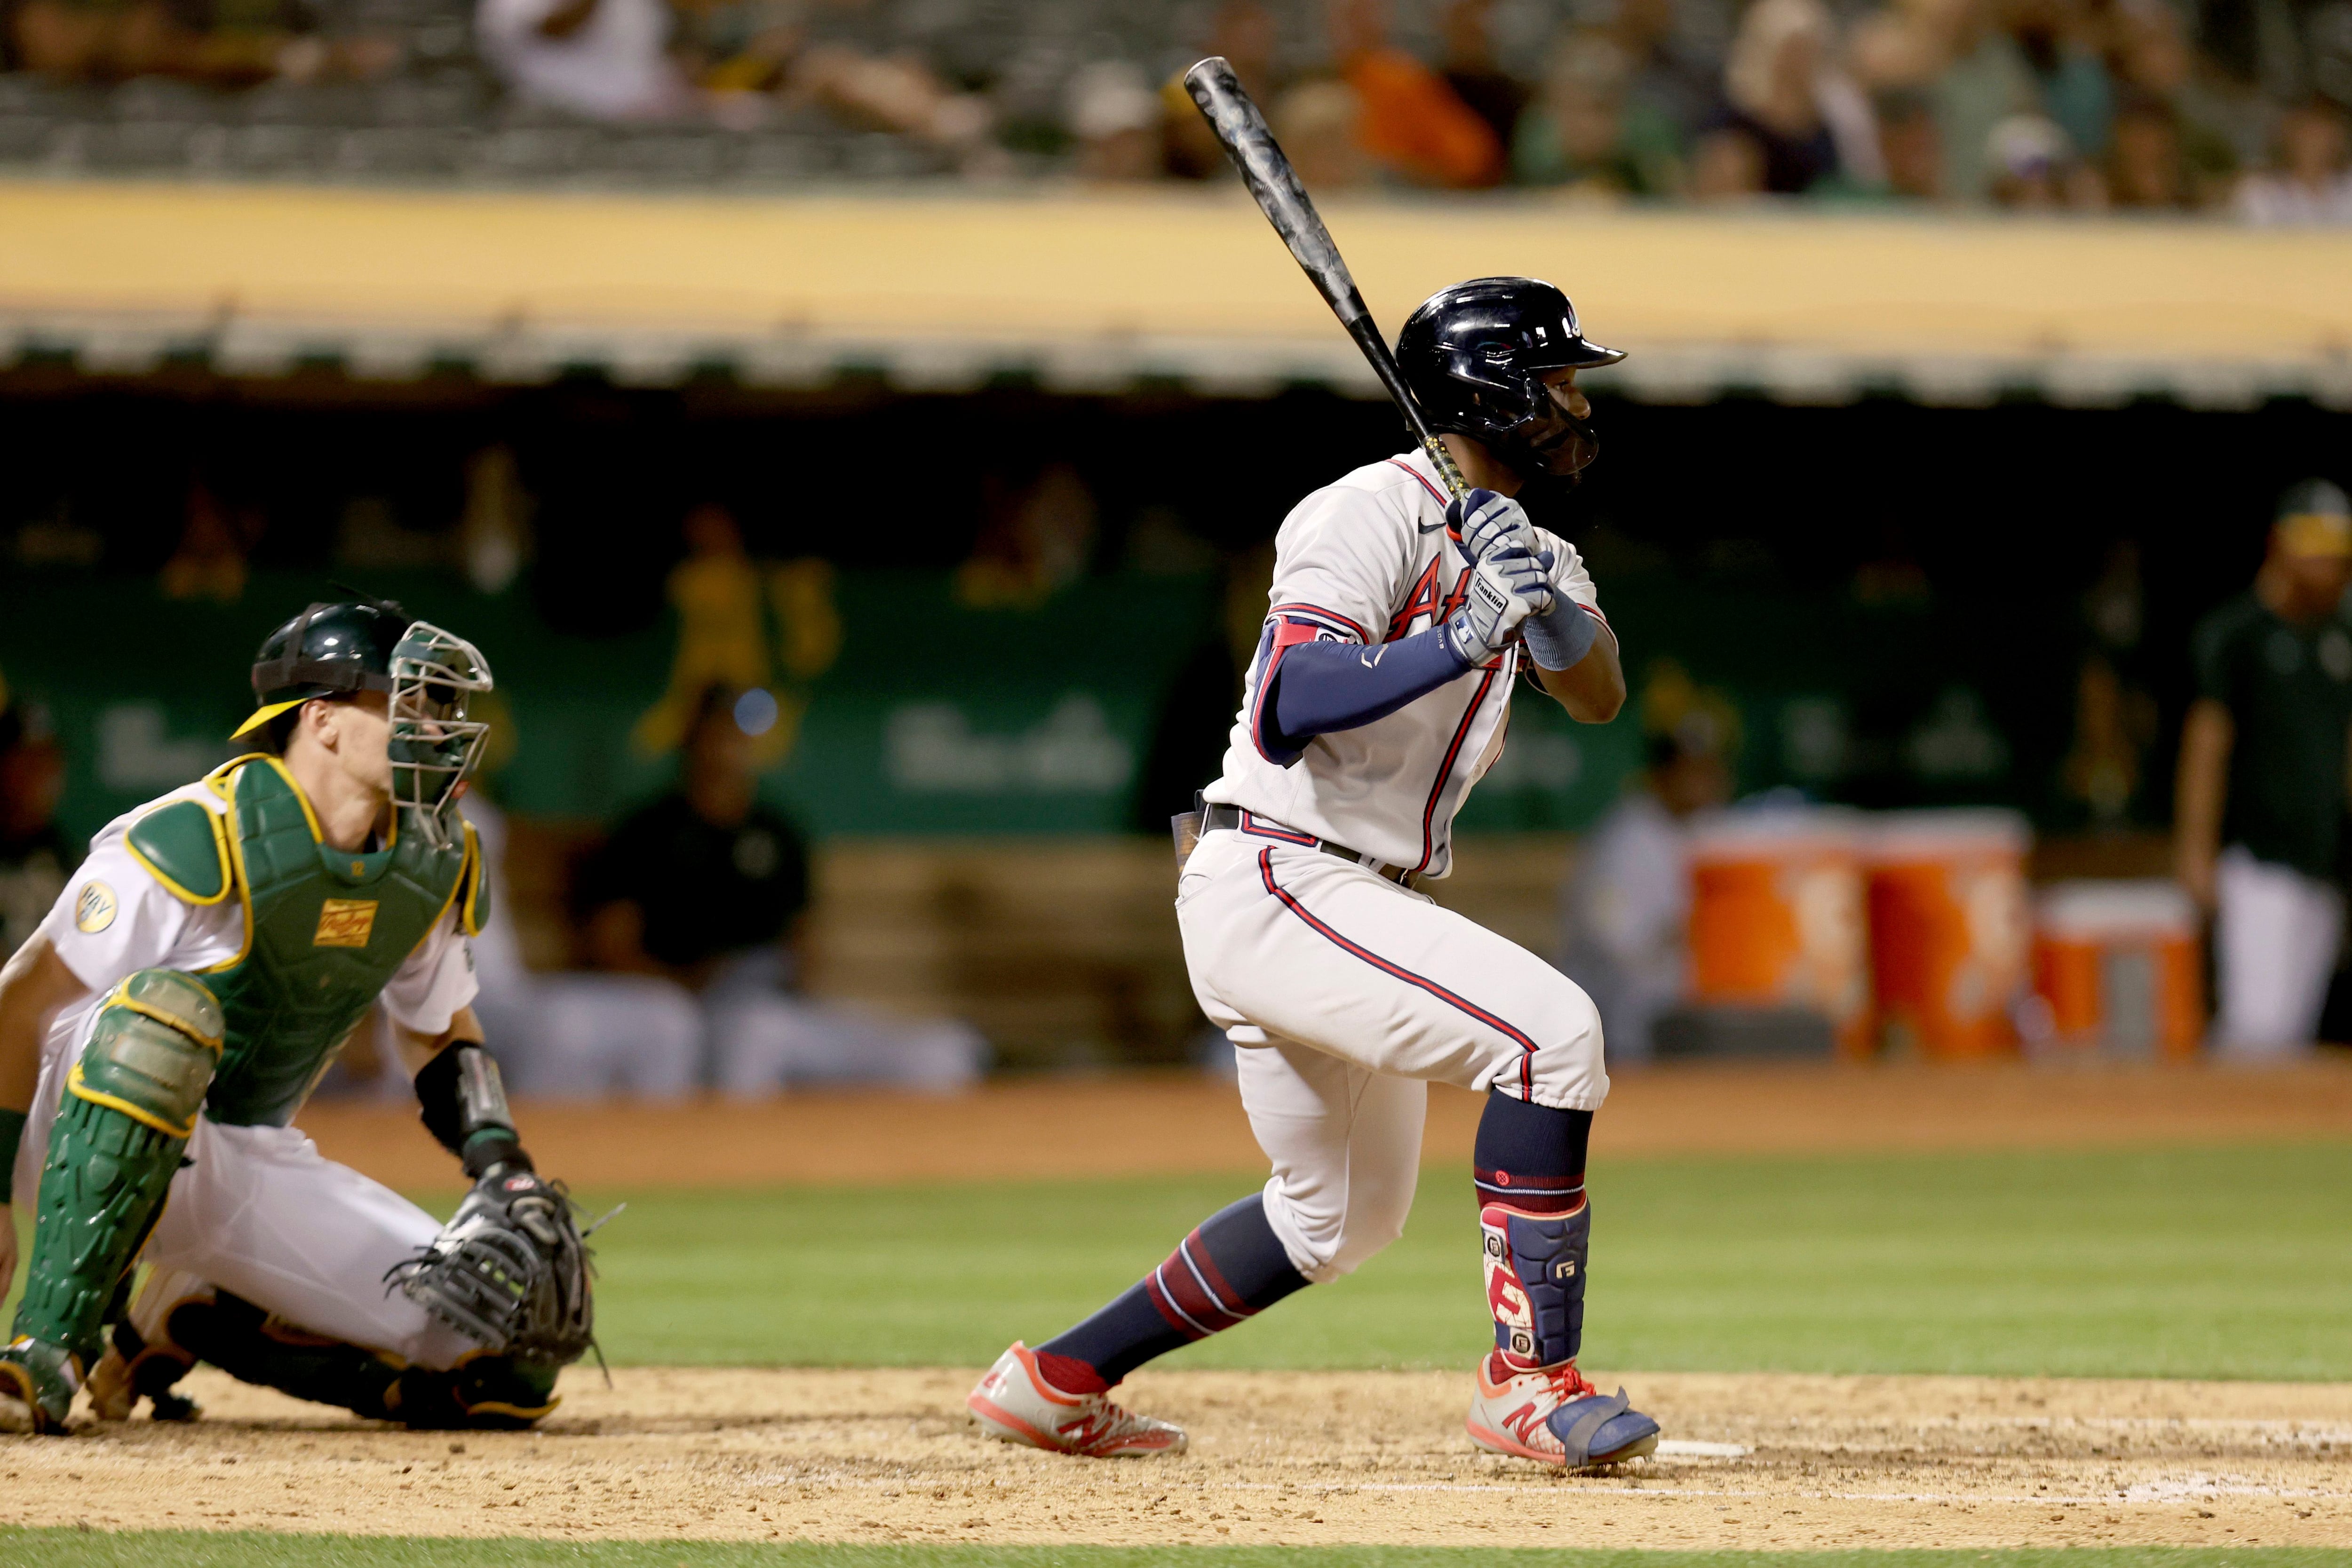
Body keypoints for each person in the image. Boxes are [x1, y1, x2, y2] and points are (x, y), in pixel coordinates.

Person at [968, 277, 1660, 1472]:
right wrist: (1457, 630)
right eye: (1549, 382)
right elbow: (1291, 701)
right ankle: (1530, 1388)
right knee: (1553, 1036)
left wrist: (1534, 600)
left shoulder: (1533, 543)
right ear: (1490, 392)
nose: (1567, 404)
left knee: (1335, 1219)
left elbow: (1597, 694)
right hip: (1282, 872)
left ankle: (1053, 1380)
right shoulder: (1363, 511)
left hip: (1351, 893)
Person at [0, 599, 592, 1435]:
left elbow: (437, 1029)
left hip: (235, 1149)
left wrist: (504, 1165)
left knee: (503, 1347)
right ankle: (47, 1347)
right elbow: (18, 1002)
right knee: (163, 1022)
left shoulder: (431, 856)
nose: (438, 725)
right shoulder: (198, 835)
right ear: (321, 719)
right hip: (62, 1122)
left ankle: (193, 1308)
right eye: (409, 701)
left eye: (442, 705)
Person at [582, 684, 983, 1095]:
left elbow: (804, 944)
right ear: (693, 735)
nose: (730, 745)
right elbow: (614, 945)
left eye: (740, 732)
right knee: (749, 1034)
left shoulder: (776, 830)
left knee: (942, 1052)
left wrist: (790, 976)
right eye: (719, 729)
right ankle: (738, 1155)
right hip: (686, 1012)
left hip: (772, 1002)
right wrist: (689, 983)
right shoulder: (648, 830)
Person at [2175, 480, 2352, 1057]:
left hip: (2323, 863)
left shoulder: (2341, 636)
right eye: (2315, 544)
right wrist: (2195, 850)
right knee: (2256, 1030)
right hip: (2257, 863)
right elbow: (2207, 748)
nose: (2328, 562)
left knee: (2293, 1033)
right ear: (2280, 543)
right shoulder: (2238, 633)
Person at [1558, 716, 1732, 1062]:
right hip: (1618, 1027)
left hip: (1682, 1016)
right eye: (1692, 771)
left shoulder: (1710, 829)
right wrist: (1690, 930)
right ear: (1662, 774)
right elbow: (1615, 947)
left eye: (1709, 770)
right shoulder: (1623, 842)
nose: (1704, 782)